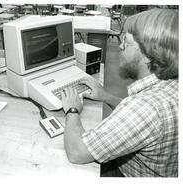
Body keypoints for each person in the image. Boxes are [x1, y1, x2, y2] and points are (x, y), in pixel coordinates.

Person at [61, 8, 178, 177]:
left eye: (127, 42)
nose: (120, 47)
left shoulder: (145, 107)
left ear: (149, 55)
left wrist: (72, 110)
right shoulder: (170, 86)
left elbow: (77, 152)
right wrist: (105, 96)